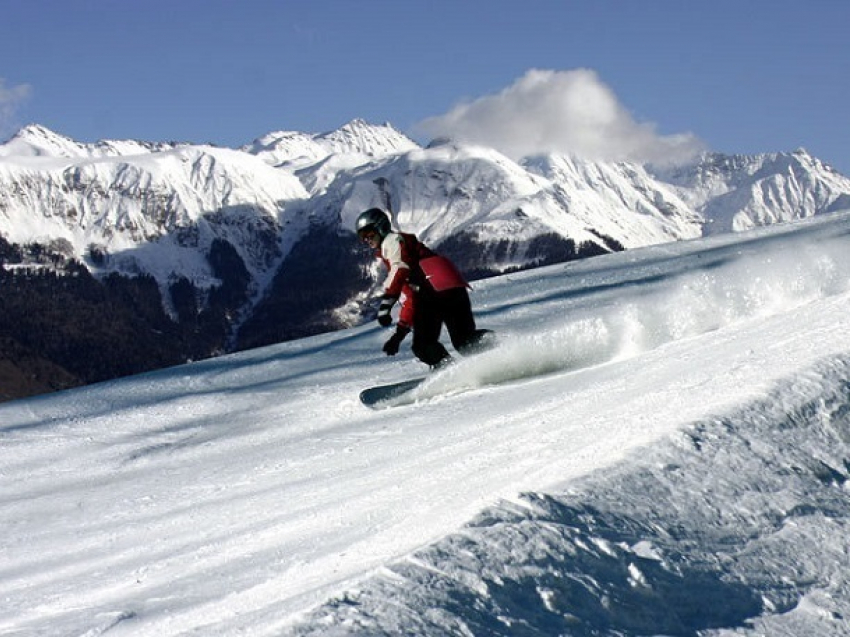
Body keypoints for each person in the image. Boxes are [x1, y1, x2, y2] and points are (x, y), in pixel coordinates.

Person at [355, 207, 490, 368]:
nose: (367, 240)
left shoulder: (393, 242)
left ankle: (449, 372)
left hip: (433, 294)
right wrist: (399, 334)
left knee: (423, 346)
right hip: (452, 288)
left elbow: (401, 271)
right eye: (362, 237)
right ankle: (501, 351)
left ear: (381, 227)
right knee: (465, 341)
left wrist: (387, 304)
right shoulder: (407, 246)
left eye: (369, 234)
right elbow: (411, 296)